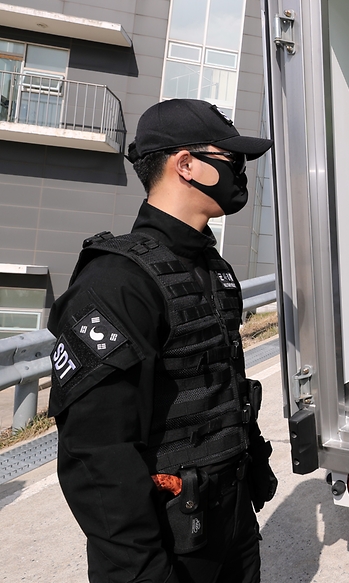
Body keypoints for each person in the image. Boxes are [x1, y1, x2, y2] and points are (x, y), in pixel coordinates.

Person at [47, 99, 278, 583]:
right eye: (231, 160)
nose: (240, 173)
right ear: (186, 164)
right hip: (166, 544)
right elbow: (96, 454)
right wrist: (144, 572)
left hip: (230, 523)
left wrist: (251, 462)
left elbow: (221, 380)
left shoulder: (214, 270)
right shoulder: (116, 282)